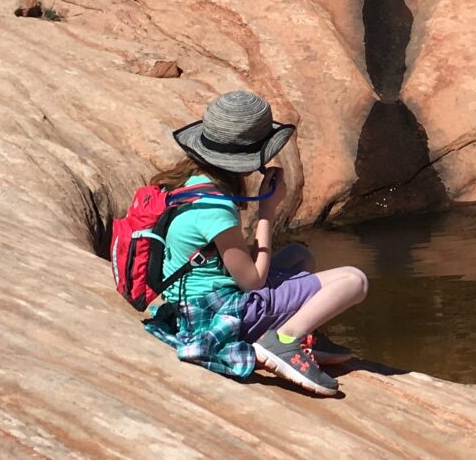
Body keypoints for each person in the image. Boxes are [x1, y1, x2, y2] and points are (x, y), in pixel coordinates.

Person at [144, 90, 367, 396]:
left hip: (191, 306)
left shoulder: (189, 186)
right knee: (354, 280)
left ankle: (302, 330)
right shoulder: (215, 209)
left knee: (299, 255)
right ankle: (284, 341)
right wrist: (267, 210)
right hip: (218, 314)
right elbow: (253, 282)